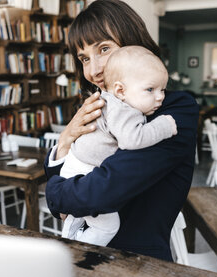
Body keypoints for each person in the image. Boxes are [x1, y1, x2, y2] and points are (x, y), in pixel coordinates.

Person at [44, 0, 199, 261]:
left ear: (134, 43)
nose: (93, 70)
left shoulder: (173, 110)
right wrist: (65, 139)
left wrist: (53, 192)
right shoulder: (102, 107)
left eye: (104, 49)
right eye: (84, 58)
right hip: (83, 254)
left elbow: (104, 190)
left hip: (137, 263)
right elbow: (74, 170)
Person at [61, 45, 177, 246]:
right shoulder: (123, 108)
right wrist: (164, 126)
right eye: (150, 89)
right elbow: (133, 139)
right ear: (121, 90)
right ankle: (79, 251)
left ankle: (70, 232)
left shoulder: (110, 100)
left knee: (81, 214)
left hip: (75, 166)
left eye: (162, 90)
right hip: (84, 170)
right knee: (108, 226)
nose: (160, 97)